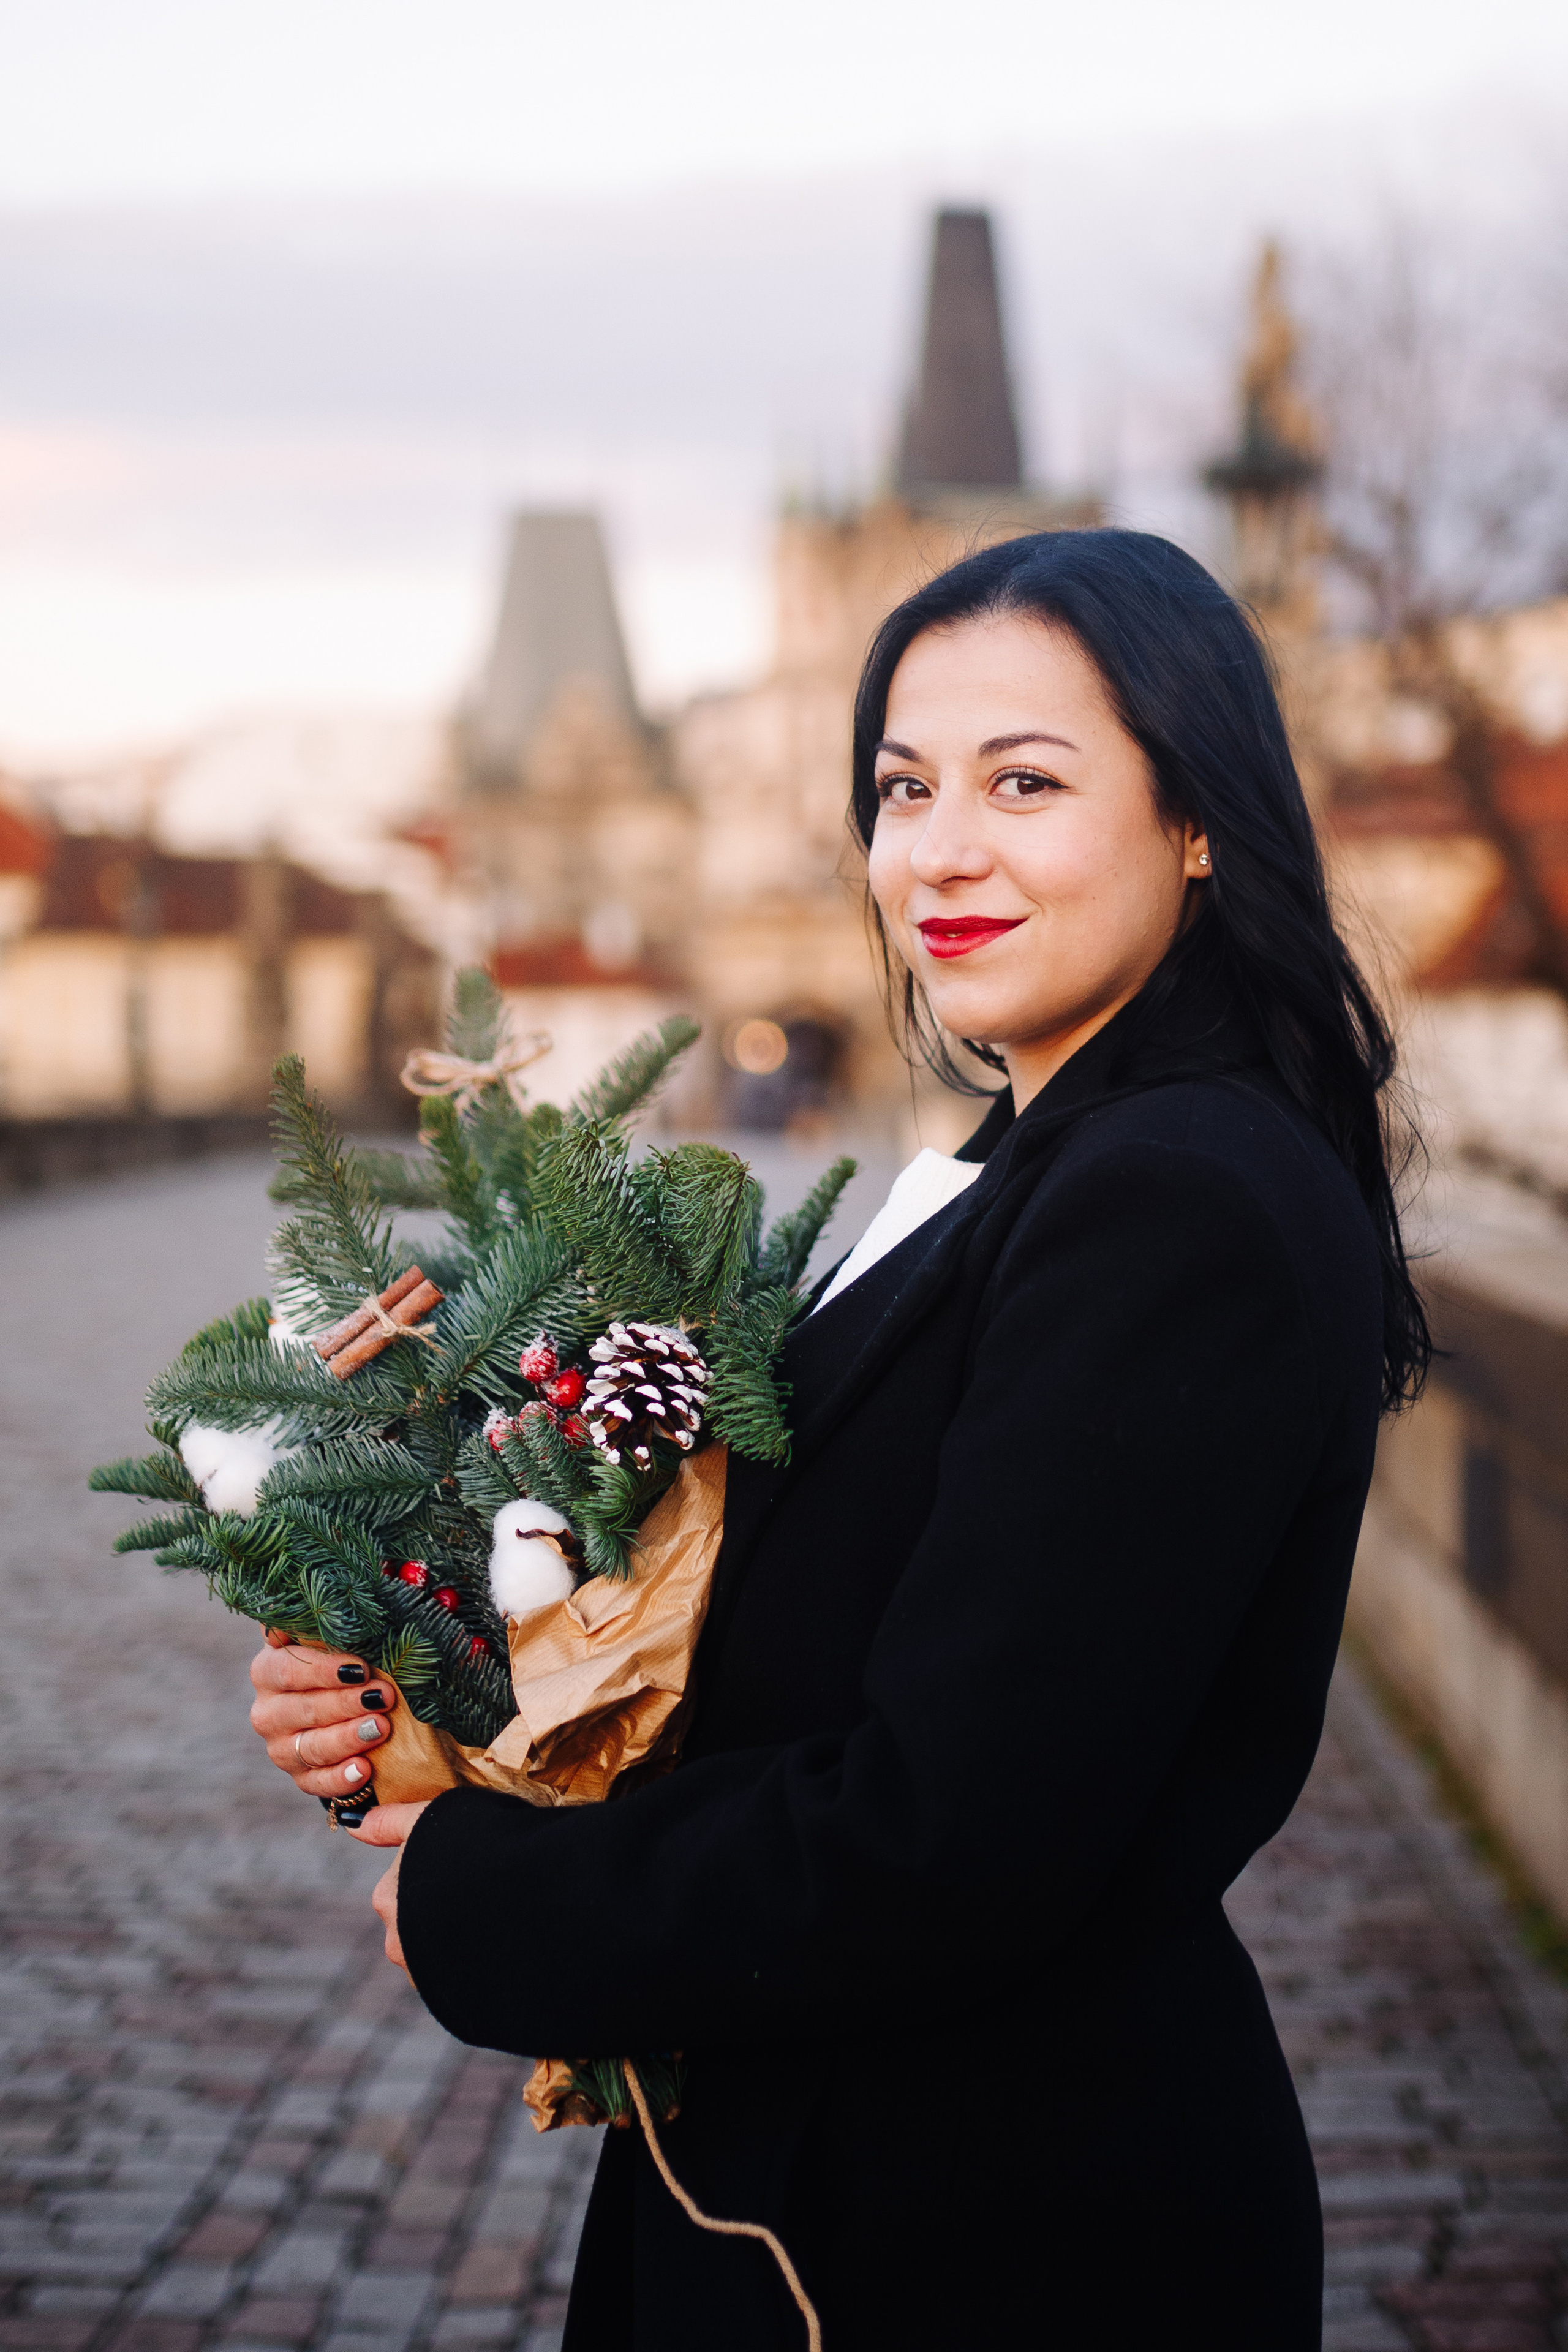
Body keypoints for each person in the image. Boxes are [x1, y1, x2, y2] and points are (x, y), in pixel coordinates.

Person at [247, 529, 1427, 2350]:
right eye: (902, 788)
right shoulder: (1042, 1161)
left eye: (1025, 783)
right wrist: (429, 1711)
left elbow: (948, 1831)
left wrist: (489, 1894)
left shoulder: (1172, 1193)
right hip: (873, 2184)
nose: (939, 849)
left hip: (982, 2233)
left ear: (1201, 818)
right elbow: (804, 1632)